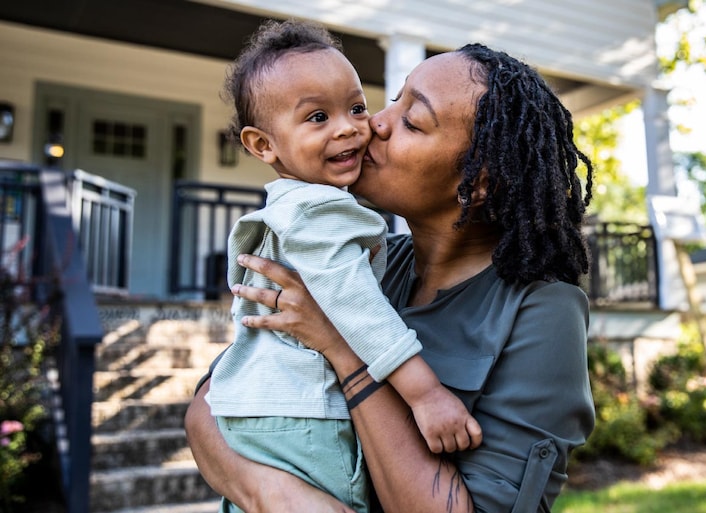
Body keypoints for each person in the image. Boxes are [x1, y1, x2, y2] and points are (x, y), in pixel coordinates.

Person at [186, 40, 596, 513]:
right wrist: (275, 496)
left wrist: (341, 348)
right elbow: (207, 408)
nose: (373, 123)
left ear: (480, 181)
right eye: (392, 100)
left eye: (412, 120)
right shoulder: (360, 259)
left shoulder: (542, 311)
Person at [205, 19, 481, 513]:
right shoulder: (318, 211)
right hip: (304, 413)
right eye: (317, 118)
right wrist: (425, 394)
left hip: (260, 409)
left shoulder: (290, 207)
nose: (351, 127)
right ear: (263, 145)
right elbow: (357, 309)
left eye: (355, 107)